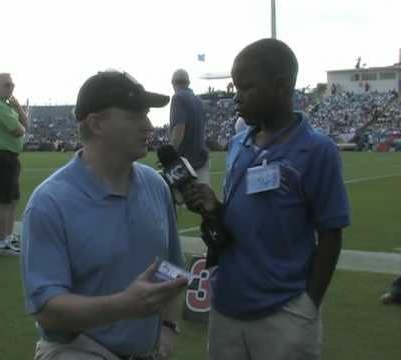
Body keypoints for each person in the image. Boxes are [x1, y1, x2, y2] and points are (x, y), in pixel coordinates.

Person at [183, 39, 351, 360]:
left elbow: (331, 233)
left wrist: (308, 304)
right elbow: (244, 215)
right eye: (235, 87)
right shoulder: (238, 143)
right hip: (227, 304)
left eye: (246, 87)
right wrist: (214, 207)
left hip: (283, 310)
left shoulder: (317, 150)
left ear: (281, 86)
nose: (237, 96)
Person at [21, 70, 188, 360]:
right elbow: (46, 310)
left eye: (147, 115)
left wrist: (169, 327)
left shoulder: (155, 185)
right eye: (135, 116)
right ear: (97, 123)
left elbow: (172, 269)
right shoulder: (50, 202)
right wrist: (123, 305)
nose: (149, 126)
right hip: (77, 350)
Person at [0, 73, 28, 256]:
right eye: (7, 85)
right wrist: (22, 125)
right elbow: (19, 130)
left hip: (9, 156)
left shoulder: (6, 105)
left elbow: (24, 124)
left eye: (12, 84)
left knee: (12, 200)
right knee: (3, 202)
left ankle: (8, 237)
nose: (11, 87)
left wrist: (17, 107)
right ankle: (2, 244)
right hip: (0, 156)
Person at [169, 69, 209, 184]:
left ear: (173, 83)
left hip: (185, 162)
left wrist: (170, 153)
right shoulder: (199, 101)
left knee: (183, 200)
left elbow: (179, 130)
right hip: (201, 158)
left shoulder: (177, 98)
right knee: (201, 198)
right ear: (188, 83)